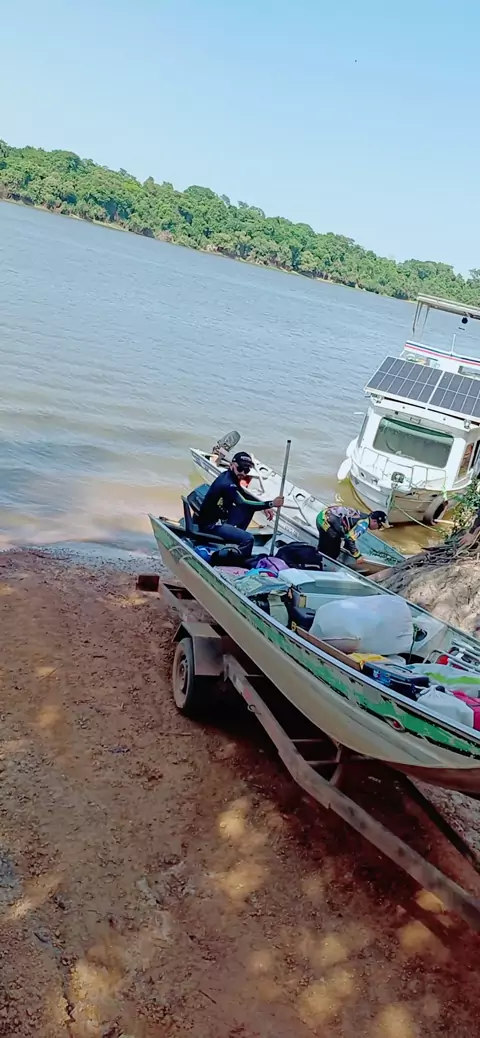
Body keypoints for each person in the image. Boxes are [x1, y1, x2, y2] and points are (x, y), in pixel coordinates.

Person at [196, 451, 284, 559]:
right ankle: (238, 560)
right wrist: (270, 503)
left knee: (249, 509)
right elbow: (243, 502)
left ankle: (237, 539)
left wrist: (265, 507)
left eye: (246, 470)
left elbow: (243, 495)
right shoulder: (227, 483)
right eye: (240, 468)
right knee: (249, 539)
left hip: (220, 516)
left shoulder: (230, 476)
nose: (242, 472)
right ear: (231, 465)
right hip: (211, 525)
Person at [315, 504, 388, 561]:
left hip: (324, 516)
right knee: (333, 551)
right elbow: (349, 539)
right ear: (375, 521)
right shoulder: (363, 525)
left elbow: (348, 536)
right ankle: (319, 560)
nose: (378, 528)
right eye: (380, 526)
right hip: (325, 522)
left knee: (334, 541)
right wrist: (357, 556)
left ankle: (319, 553)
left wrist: (349, 546)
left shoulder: (364, 516)